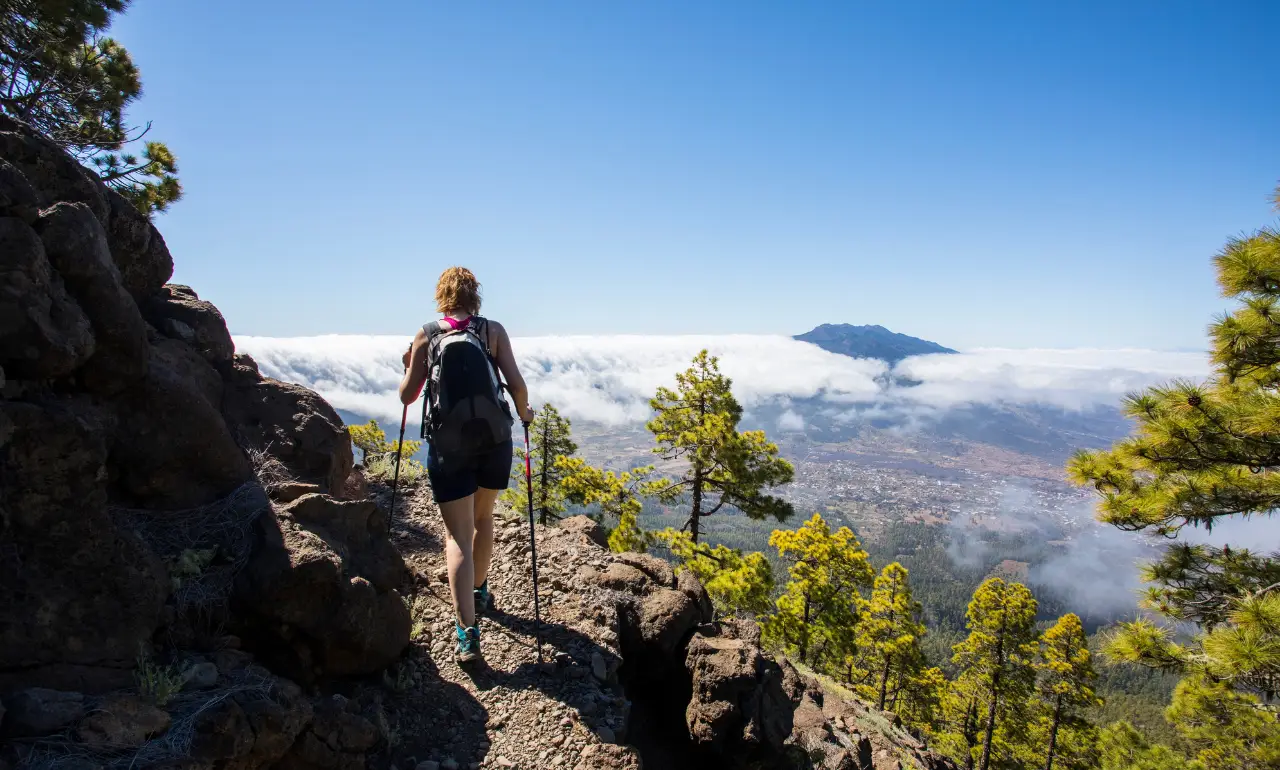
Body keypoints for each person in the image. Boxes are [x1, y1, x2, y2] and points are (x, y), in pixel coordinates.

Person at [398, 267, 533, 664]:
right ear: (476, 295)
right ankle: (479, 590)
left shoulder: (428, 334)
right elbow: (517, 384)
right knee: (484, 518)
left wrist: (409, 364)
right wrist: (524, 414)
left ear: (441, 295)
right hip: (494, 440)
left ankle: (468, 633)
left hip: (449, 445)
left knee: (457, 535)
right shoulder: (492, 331)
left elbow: (408, 396)